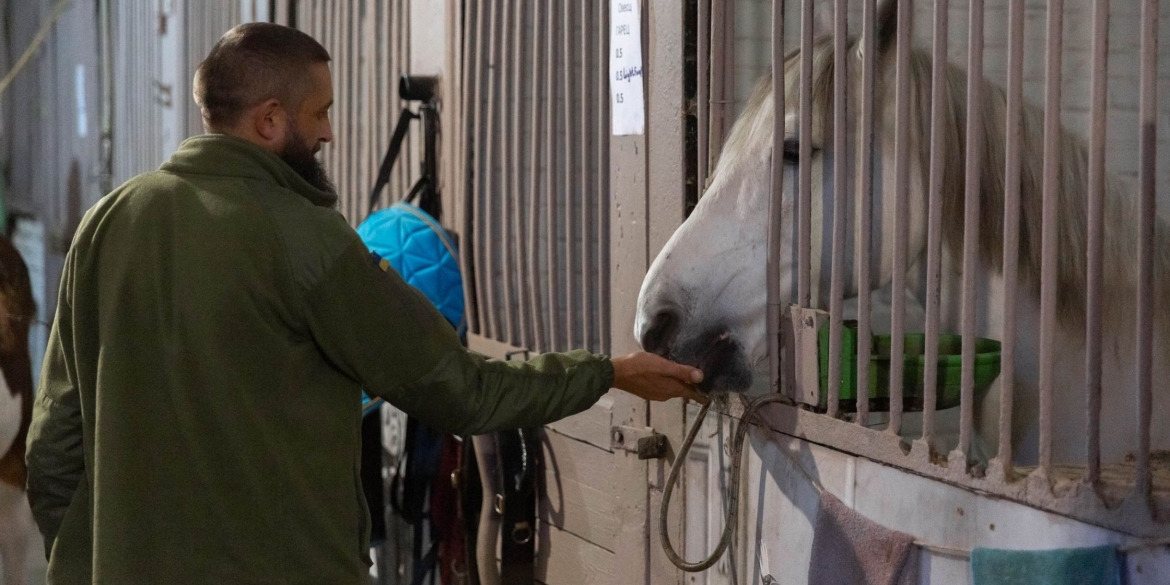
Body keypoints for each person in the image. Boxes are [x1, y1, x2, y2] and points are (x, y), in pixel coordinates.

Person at [25, 22, 703, 585]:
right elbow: (458, 389)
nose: (329, 134)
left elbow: (53, 450)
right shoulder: (302, 238)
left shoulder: (106, 223)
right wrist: (608, 372)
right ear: (268, 121)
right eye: (319, 112)